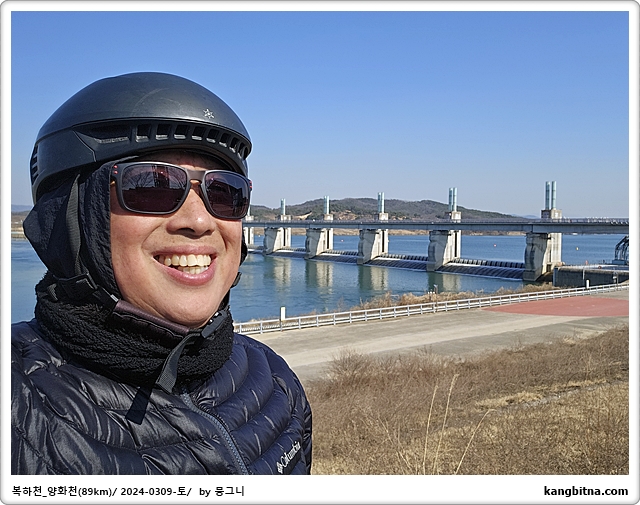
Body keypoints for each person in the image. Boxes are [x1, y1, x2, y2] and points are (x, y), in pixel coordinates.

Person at [11, 72, 312, 475]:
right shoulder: (17, 408)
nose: (199, 221)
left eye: (225, 192)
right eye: (151, 186)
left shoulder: (274, 383)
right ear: (69, 220)